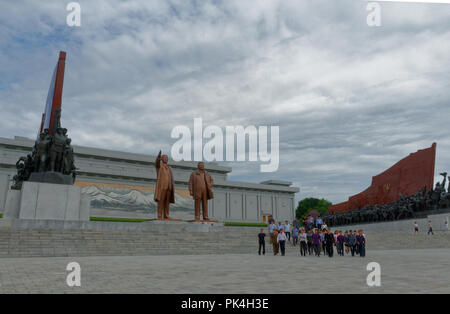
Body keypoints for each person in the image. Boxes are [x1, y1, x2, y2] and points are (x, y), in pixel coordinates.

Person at [154, 151, 175, 220]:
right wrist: (158, 158)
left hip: (169, 187)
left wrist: (171, 186)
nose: (166, 159)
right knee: (161, 201)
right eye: (164, 158)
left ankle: (166, 215)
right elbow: (156, 163)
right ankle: (160, 215)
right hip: (162, 187)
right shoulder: (160, 166)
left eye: (167, 158)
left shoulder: (169, 168)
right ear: (162, 159)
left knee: (167, 202)